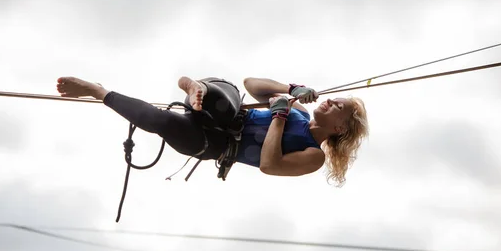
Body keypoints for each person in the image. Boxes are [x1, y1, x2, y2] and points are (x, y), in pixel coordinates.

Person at [56, 75, 369, 186]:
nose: (328, 102)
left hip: (215, 144)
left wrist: (278, 117)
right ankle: (193, 87)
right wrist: (292, 88)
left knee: (163, 124)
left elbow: (269, 165)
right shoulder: (298, 110)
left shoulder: (313, 155)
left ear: (340, 127)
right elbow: (251, 85)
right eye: (331, 99)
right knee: (223, 93)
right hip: (225, 113)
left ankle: (98, 91)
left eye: (336, 106)